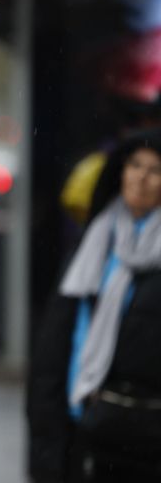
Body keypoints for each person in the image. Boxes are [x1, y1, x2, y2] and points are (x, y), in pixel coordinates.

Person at [27, 131, 161, 482]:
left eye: (155, 170)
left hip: (146, 437)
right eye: (134, 165)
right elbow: (57, 342)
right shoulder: (94, 244)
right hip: (84, 426)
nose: (142, 178)